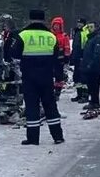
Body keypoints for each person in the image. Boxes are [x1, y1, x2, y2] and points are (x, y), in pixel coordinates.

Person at [17, 9, 66, 145]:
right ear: (44, 20)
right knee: (50, 106)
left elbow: (14, 53)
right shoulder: (51, 37)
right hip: (46, 78)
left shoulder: (23, 35)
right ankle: (58, 136)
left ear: (30, 19)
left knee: (32, 107)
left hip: (29, 78)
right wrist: (59, 79)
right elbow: (58, 60)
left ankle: (33, 138)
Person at [79, 22, 100, 118]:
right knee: (90, 86)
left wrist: (91, 64)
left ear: (96, 28)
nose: (90, 28)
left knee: (95, 86)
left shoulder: (98, 38)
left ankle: (96, 103)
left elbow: (97, 53)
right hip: (88, 66)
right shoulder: (90, 37)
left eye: (91, 27)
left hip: (95, 67)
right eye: (88, 27)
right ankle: (93, 102)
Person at [70, 17, 88, 103]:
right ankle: (79, 94)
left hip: (82, 57)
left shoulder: (85, 32)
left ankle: (85, 95)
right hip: (77, 57)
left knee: (83, 78)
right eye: (78, 23)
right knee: (76, 77)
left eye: (80, 23)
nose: (79, 24)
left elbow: (85, 45)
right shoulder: (77, 32)